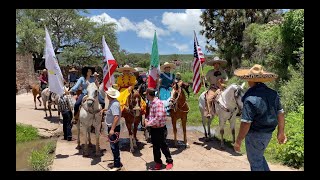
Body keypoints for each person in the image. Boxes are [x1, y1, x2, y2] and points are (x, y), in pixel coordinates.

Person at [233, 64, 287, 171]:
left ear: (250, 80)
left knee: (255, 162)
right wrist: (281, 132)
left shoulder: (250, 98)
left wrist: (238, 140)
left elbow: (246, 122)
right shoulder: (273, 94)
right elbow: (280, 113)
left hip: (255, 135)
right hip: (268, 134)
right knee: (258, 158)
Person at [144, 88, 173, 170]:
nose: (146, 96)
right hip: (154, 128)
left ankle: (169, 161)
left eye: (146, 94)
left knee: (163, 146)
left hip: (160, 129)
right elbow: (152, 115)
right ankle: (158, 162)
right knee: (155, 146)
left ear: (149, 95)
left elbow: (158, 117)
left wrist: (148, 123)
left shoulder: (158, 103)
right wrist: (147, 119)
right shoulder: (152, 103)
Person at [100, 87, 122, 171]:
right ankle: (116, 162)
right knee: (113, 146)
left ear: (110, 96)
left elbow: (116, 117)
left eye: (107, 94)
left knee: (114, 146)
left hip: (114, 128)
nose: (106, 95)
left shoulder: (114, 104)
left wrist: (112, 129)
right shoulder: (112, 103)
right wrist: (104, 110)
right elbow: (111, 111)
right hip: (112, 127)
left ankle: (117, 165)